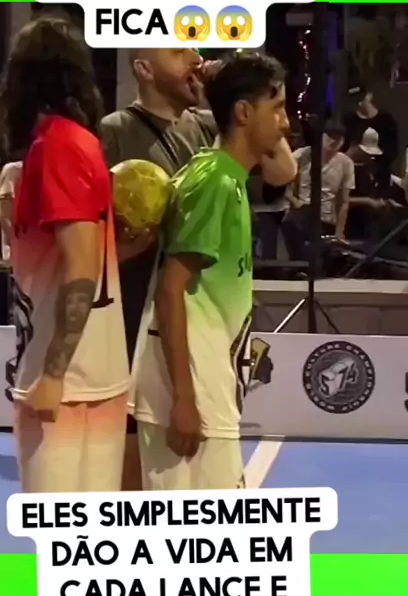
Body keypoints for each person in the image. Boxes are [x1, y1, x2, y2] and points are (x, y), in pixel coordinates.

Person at [133, 52, 297, 490]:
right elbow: (171, 290)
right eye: (277, 108)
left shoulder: (219, 173)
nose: (285, 124)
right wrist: (184, 400)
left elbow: (286, 168)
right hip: (191, 387)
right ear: (243, 113)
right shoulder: (215, 182)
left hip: (204, 380)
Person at [0, 16, 130, 492]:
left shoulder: (56, 147)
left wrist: (53, 374)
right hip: (95, 373)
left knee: (55, 527)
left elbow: (81, 268)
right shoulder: (83, 143)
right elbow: (91, 255)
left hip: (68, 382)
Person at [100, 48, 217, 490]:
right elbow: (93, 236)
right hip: (135, 318)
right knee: (134, 457)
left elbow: (281, 168)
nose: (196, 57)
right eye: (178, 50)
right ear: (144, 69)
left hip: (202, 316)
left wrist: (224, 86)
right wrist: (133, 244)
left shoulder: (208, 126)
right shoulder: (114, 131)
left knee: (196, 466)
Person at [282, 124, 355, 260]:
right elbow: (281, 182)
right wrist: (295, 201)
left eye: (339, 138)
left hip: (326, 217)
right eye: (330, 136)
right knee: (291, 224)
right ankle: (300, 262)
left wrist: (339, 232)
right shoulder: (302, 155)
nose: (334, 141)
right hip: (302, 211)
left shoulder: (346, 163)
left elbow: (344, 201)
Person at [343, 87, 398, 171]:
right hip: (353, 170)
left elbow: (392, 152)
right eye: (355, 100)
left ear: (369, 95)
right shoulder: (348, 120)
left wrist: (372, 161)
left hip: (379, 172)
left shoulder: (386, 120)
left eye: (361, 99)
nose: (359, 103)